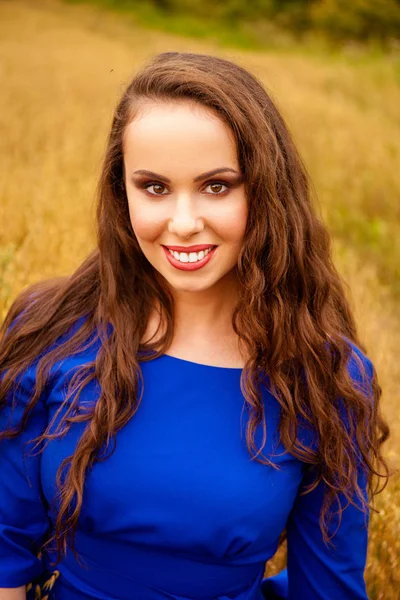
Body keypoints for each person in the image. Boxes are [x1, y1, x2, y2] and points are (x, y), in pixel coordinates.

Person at [0, 51, 390, 600]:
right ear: (122, 192)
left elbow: (327, 589)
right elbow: (4, 555)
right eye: (154, 187)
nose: (183, 224)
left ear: (265, 191)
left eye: (217, 186)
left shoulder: (324, 378)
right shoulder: (52, 328)